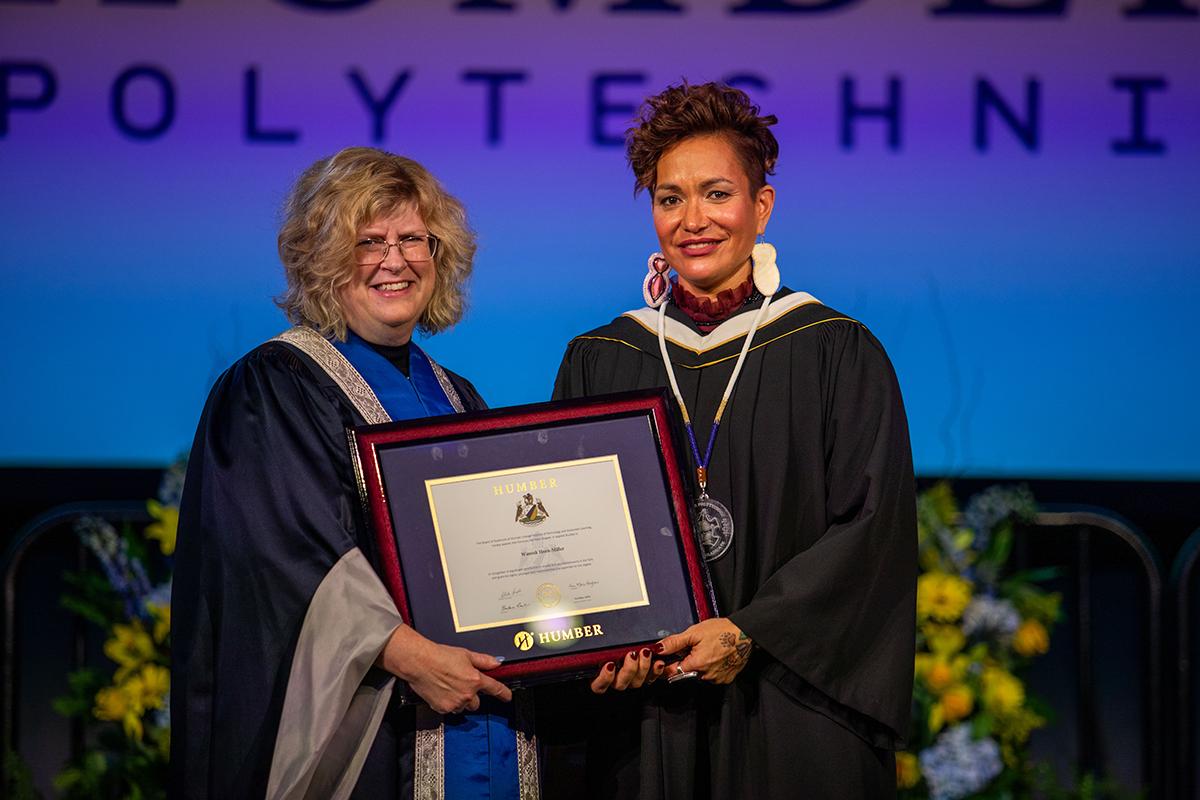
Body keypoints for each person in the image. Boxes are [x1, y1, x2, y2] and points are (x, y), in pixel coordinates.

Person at [543, 83, 917, 798]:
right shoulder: (602, 358)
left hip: (791, 705)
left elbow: (872, 534)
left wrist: (750, 631)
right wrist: (597, 642)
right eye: (669, 198)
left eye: (717, 194)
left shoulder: (834, 350)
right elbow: (567, 539)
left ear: (762, 206)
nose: (692, 220)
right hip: (646, 716)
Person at [171, 147, 538, 799]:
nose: (394, 260)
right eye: (367, 241)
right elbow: (283, 561)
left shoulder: (458, 396)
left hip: (472, 715)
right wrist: (410, 656)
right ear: (323, 258)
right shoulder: (271, 388)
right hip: (371, 739)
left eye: (412, 239)